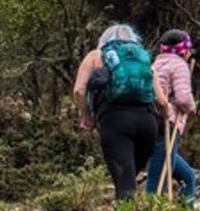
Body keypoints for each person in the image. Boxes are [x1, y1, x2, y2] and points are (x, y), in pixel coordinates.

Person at [73, 24, 171, 201]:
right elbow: (161, 101)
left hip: (115, 122)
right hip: (147, 123)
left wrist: (87, 116)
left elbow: (79, 91)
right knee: (130, 177)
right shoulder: (142, 57)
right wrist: (167, 113)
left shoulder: (96, 56)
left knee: (124, 184)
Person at [145, 29, 198, 204]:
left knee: (188, 177)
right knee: (158, 182)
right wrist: (192, 107)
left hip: (148, 123)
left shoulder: (155, 64)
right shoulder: (179, 65)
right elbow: (183, 98)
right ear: (183, 50)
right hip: (166, 124)